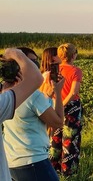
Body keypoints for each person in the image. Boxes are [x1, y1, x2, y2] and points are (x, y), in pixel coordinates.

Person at [2, 48, 65, 181]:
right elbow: (58, 122)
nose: (35, 66)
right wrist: (58, 93)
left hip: (11, 161)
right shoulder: (34, 96)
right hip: (34, 161)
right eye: (31, 62)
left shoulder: (5, 92)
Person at [0, 48, 44, 180]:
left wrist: (8, 90)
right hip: (33, 157)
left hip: (13, 158)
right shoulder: (36, 97)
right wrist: (14, 53)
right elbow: (36, 78)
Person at [49, 43, 83, 176]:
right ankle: (68, 173)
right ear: (73, 55)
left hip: (54, 105)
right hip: (71, 108)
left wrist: (57, 104)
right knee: (70, 140)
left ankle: (53, 170)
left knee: (55, 138)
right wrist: (63, 104)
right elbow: (74, 92)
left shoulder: (55, 70)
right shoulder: (76, 71)